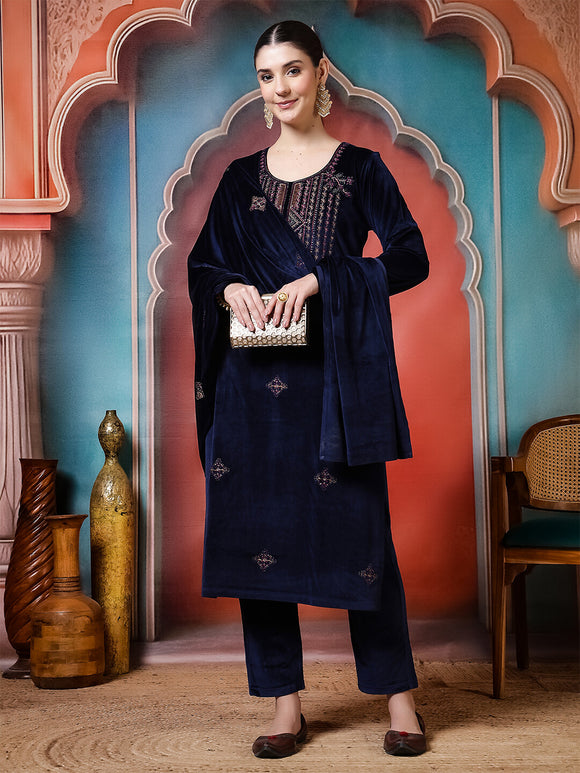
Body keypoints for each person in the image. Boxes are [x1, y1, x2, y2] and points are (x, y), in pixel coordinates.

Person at [187, 20, 429, 759]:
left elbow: (410, 257)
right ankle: (284, 705)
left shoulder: (362, 170)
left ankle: (400, 698)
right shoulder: (239, 180)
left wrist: (322, 280)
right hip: (250, 391)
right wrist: (229, 290)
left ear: (321, 73)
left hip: (335, 386)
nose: (280, 87)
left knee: (364, 537)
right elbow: (203, 265)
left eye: (292, 70)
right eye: (266, 76)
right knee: (257, 535)